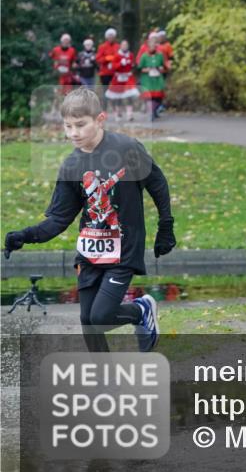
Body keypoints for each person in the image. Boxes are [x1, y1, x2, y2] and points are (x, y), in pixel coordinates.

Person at [4, 88, 175, 352]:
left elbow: (158, 184)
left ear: (100, 119)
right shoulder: (71, 165)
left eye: (80, 125)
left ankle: (141, 310)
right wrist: (25, 236)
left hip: (123, 249)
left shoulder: (126, 149)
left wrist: (166, 226)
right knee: (87, 320)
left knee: (101, 317)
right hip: (89, 251)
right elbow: (59, 219)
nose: (73, 133)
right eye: (68, 126)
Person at [105, 40, 140, 122]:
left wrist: (131, 64)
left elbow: (132, 65)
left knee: (129, 96)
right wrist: (120, 63)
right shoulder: (117, 55)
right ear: (120, 46)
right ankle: (118, 114)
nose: (125, 46)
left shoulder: (130, 55)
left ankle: (129, 114)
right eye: (123, 45)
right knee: (118, 97)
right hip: (118, 78)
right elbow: (113, 67)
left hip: (128, 78)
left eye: (126, 45)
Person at [139, 32, 167, 120]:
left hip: (157, 78)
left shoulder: (160, 55)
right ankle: (151, 113)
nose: (153, 47)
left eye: (154, 45)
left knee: (158, 97)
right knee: (149, 97)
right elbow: (140, 68)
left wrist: (160, 68)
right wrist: (147, 69)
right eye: (151, 45)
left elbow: (164, 66)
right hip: (147, 79)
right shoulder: (144, 56)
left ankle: (154, 111)